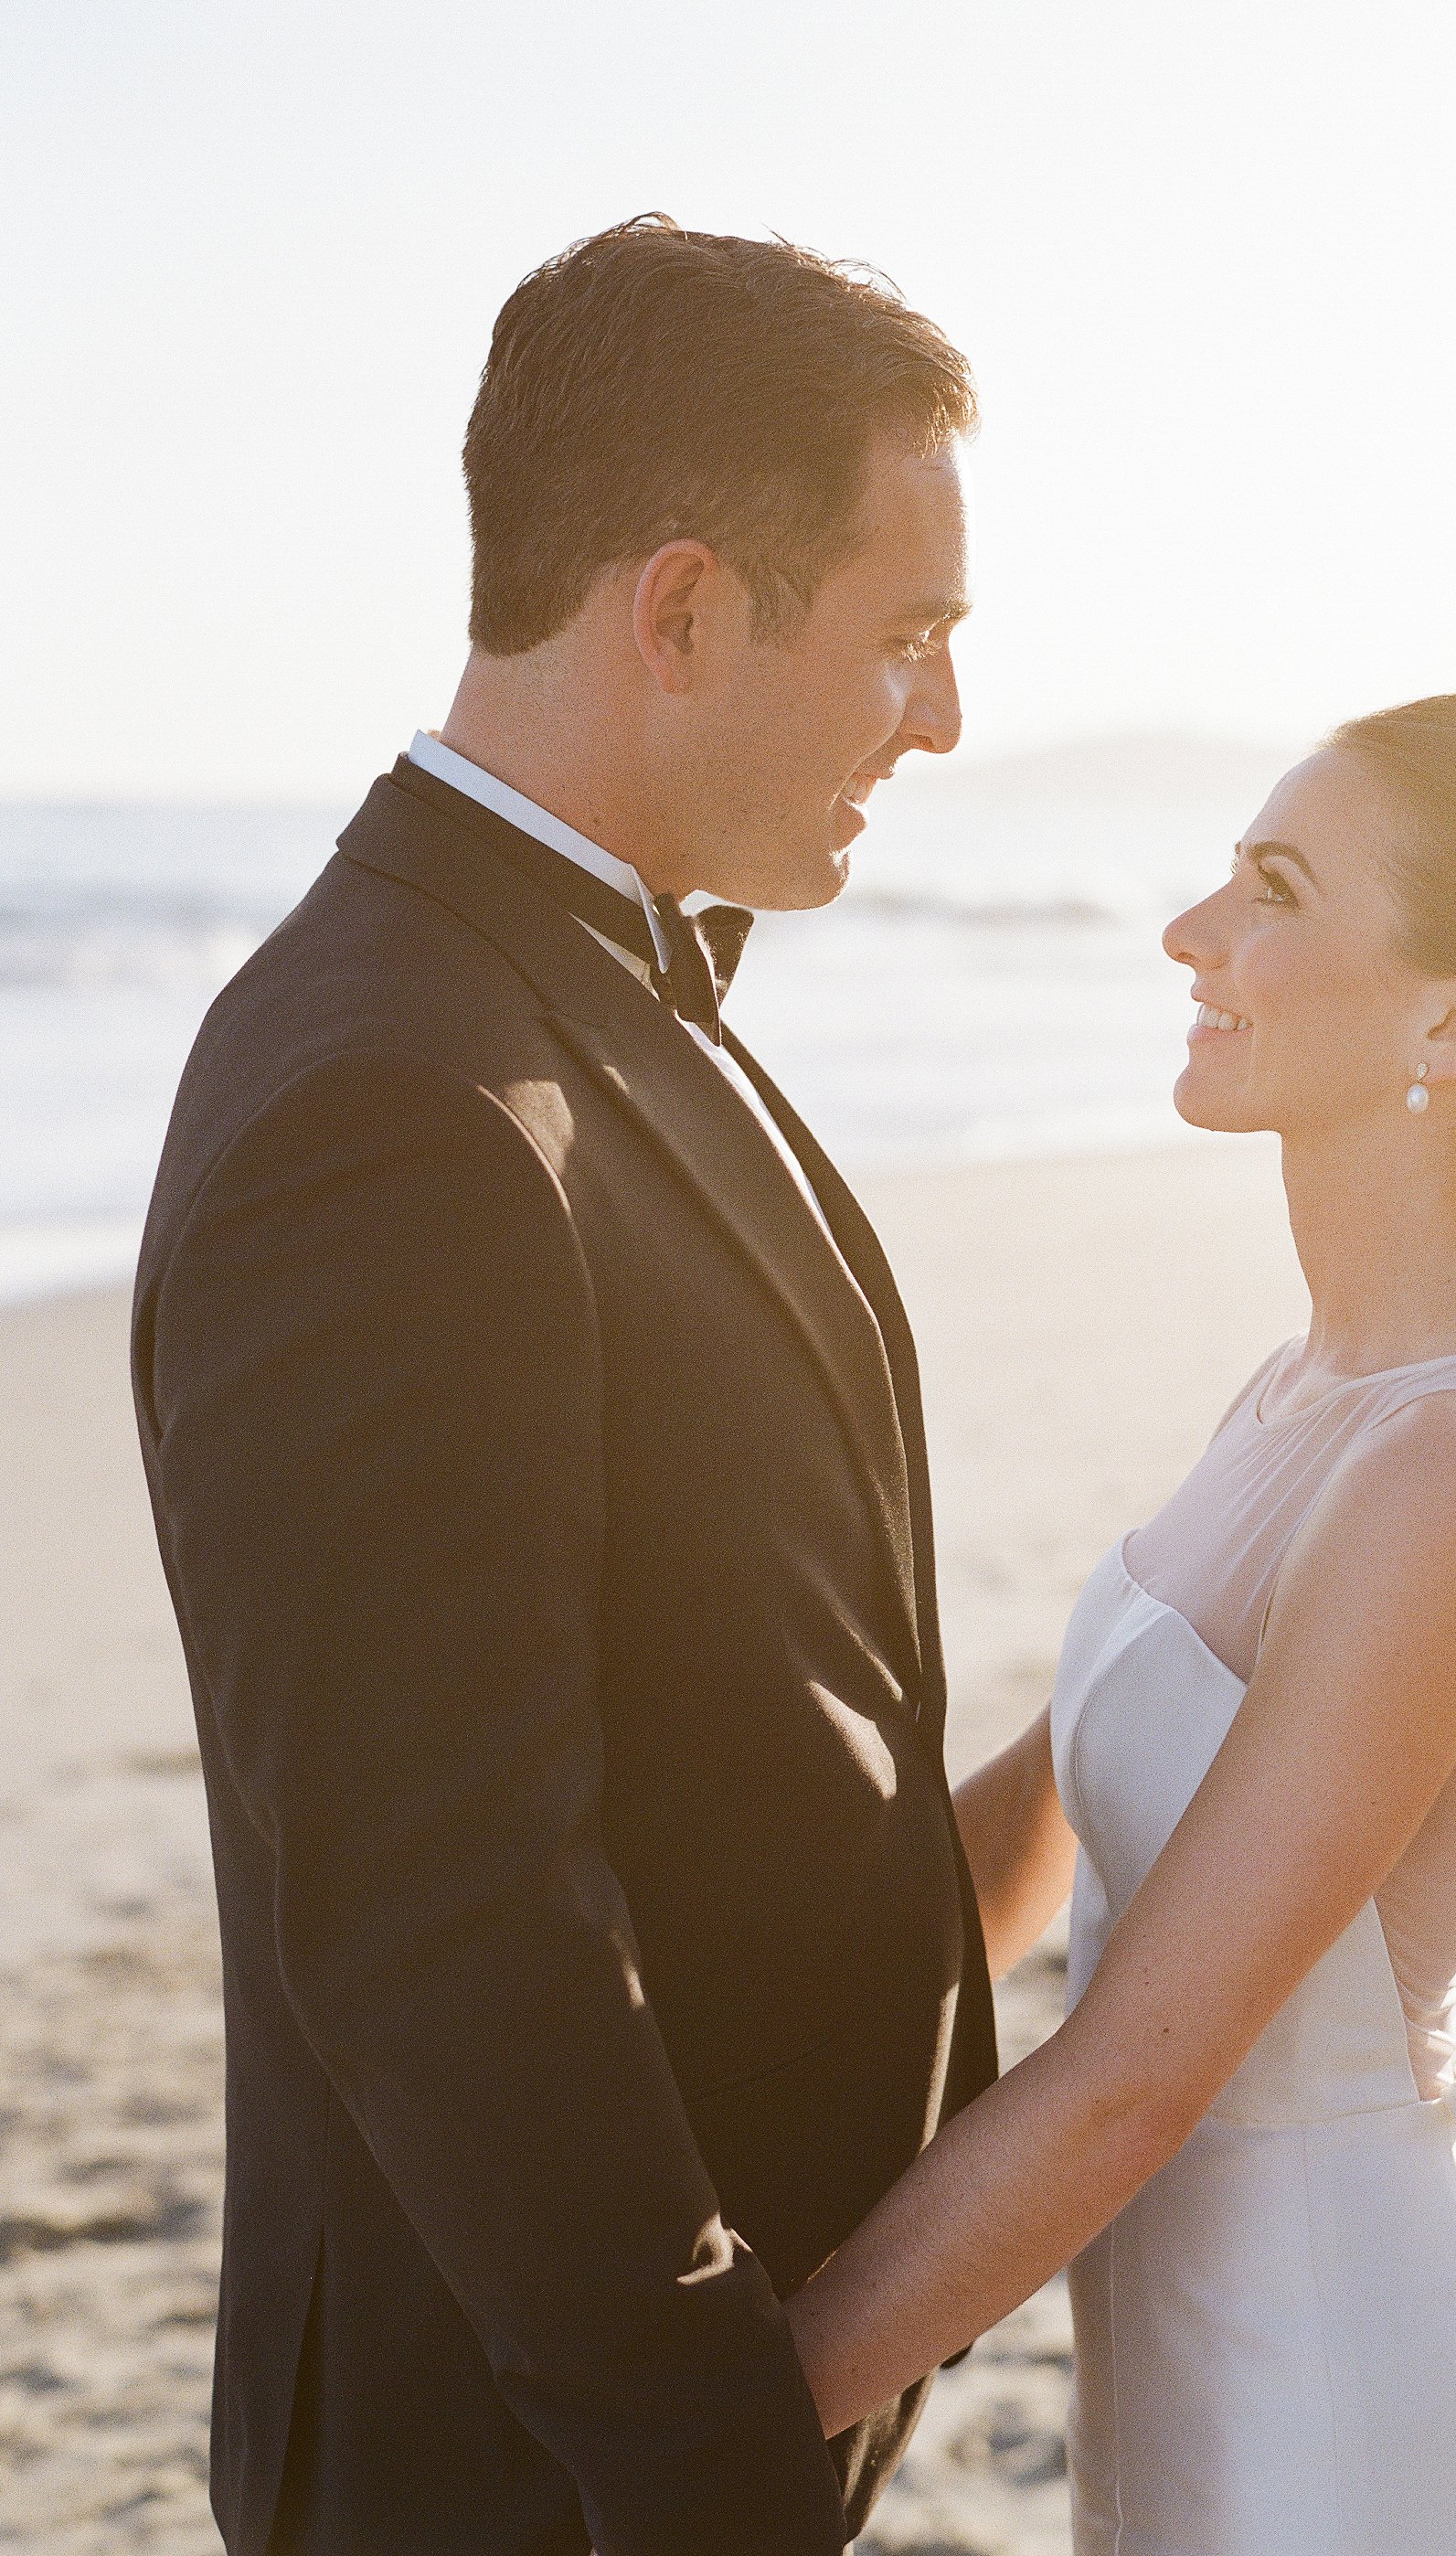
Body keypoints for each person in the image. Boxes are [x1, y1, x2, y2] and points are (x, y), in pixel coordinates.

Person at [131, 215, 994, 2555]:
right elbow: (435, 1901)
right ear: (683, 608)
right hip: (538, 2474)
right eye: (905, 640)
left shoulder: (560, 995)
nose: (939, 720)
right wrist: (703, 2447)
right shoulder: (393, 1098)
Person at [785, 691, 1456, 2552]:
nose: (1191, 935)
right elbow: (1044, 1813)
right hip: (1194, 2367)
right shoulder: (1310, 1390)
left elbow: (1133, 2079)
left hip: (1346, 2413)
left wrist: (695, 2434)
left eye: (1271, 891)